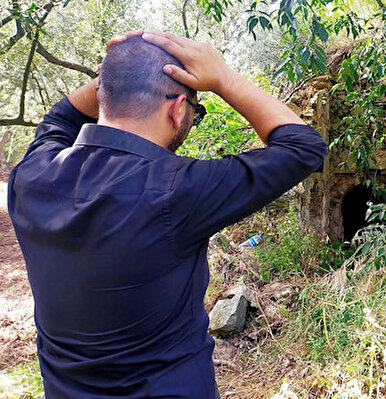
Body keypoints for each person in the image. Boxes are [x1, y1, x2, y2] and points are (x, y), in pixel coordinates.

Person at [8, 31, 327, 398]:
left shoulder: (30, 176)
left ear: (102, 95)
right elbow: (303, 147)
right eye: (196, 111)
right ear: (178, 108)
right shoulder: (177, 190)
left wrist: (121, 73)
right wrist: (222, 76)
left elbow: (61, 117)